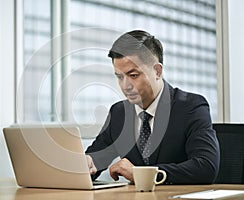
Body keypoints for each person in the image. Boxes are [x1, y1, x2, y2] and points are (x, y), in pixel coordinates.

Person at [85, 30, 220, 184]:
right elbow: (95, 160)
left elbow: (206, 167)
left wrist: (142, 174)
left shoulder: (191, 107)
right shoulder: (119, 113)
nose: (125, 86)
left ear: (157, 71)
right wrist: (86, 164)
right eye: (120, 77)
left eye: (133, 75)